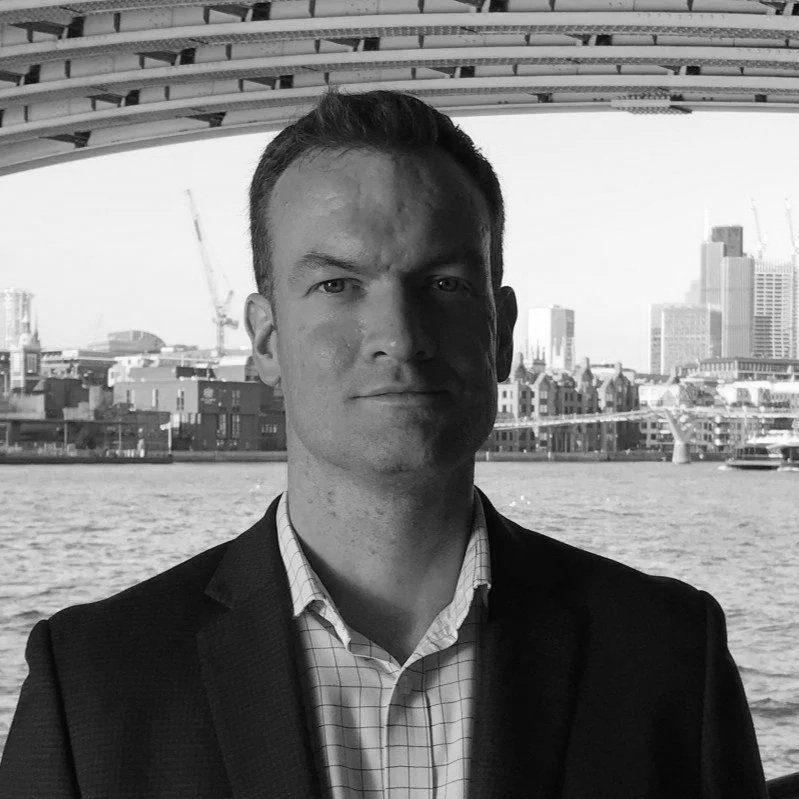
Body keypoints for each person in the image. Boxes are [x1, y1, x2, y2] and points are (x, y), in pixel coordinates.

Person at [0, 90, 767, 798]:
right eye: (337, 285)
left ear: (499, 332)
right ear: (264, 341)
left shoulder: (669, 655)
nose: (398, 336)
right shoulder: (94, 683)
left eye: (442, 283)